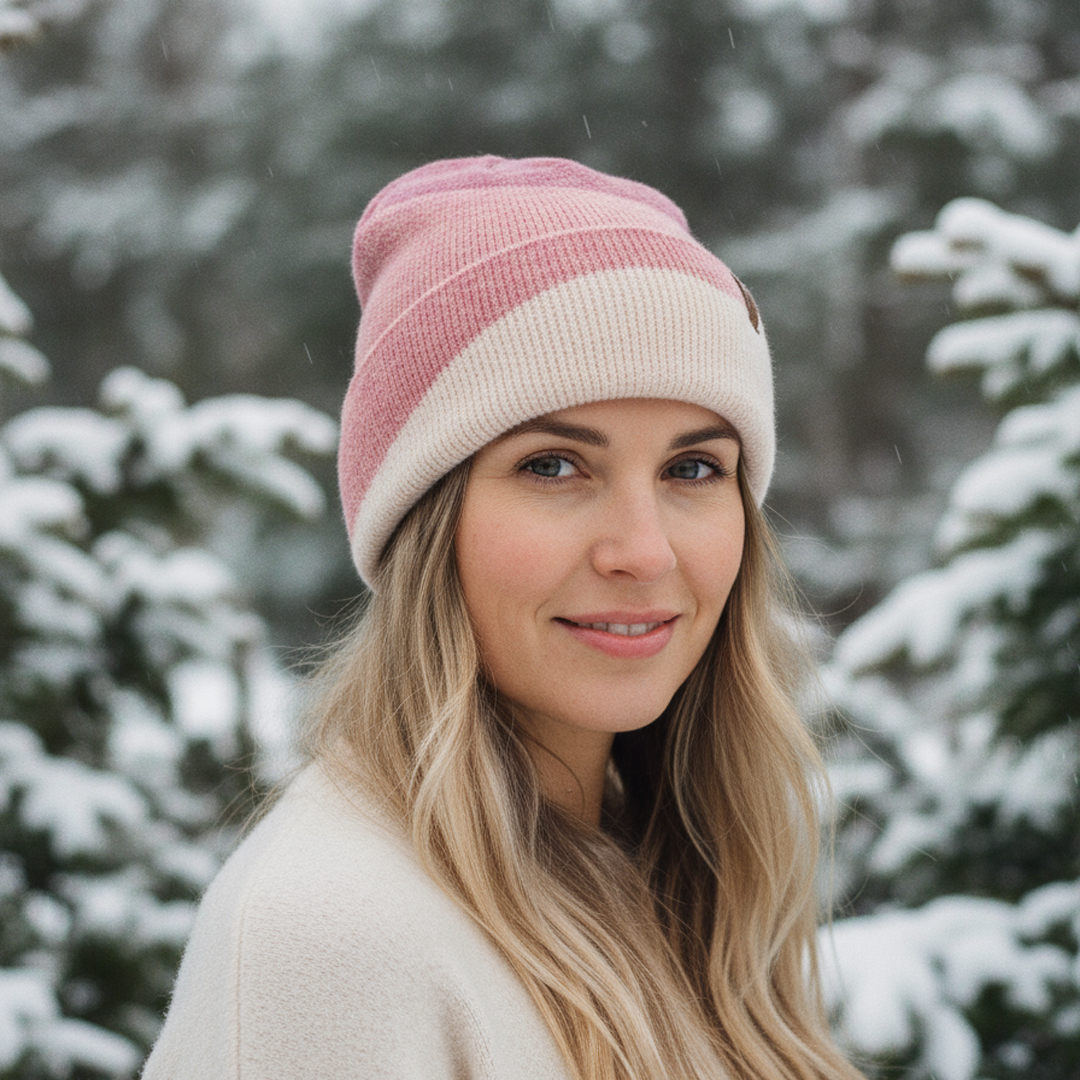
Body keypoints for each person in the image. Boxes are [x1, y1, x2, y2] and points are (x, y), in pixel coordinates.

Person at [142, 156, 862, 1080]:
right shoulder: (329, 934)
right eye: (554, 466)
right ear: (424, 522)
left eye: (692, 470)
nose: (643, 551)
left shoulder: (678, 879)